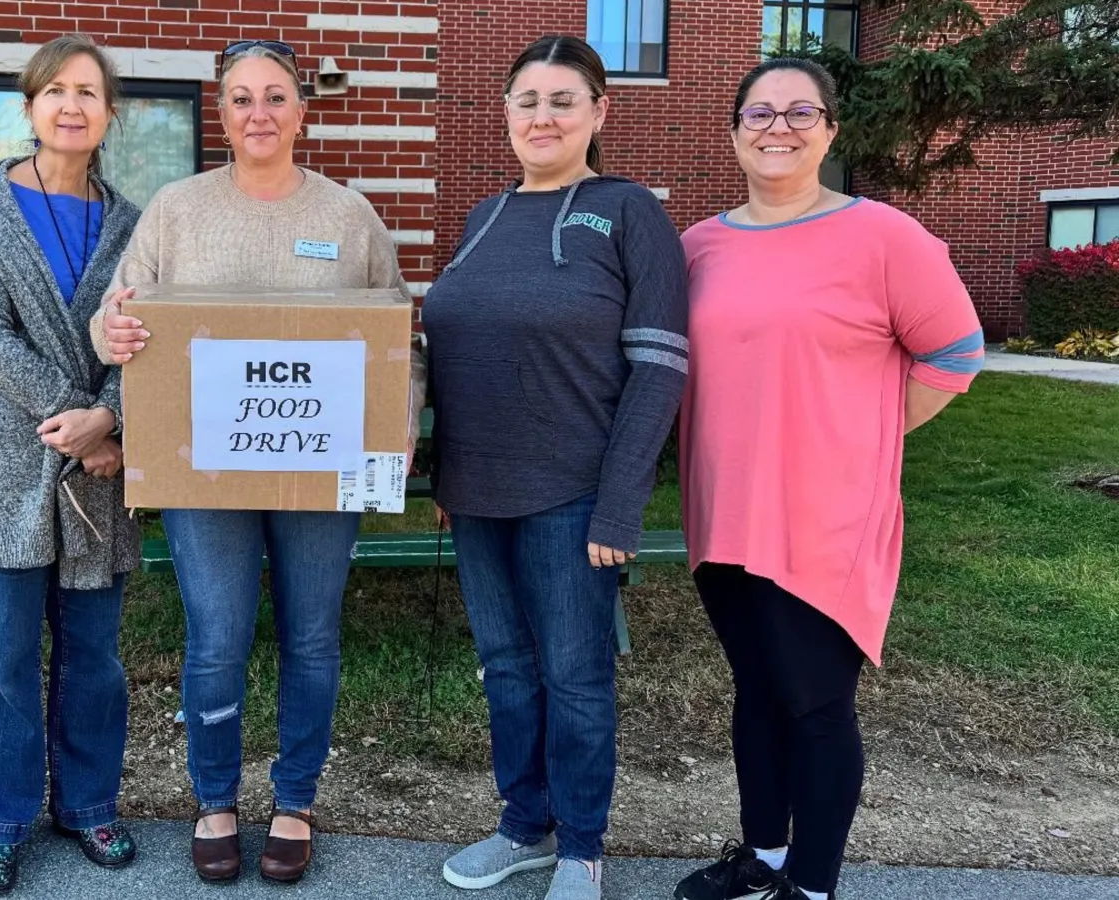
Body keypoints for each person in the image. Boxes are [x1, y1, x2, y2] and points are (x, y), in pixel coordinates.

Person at [94, 39, 425, 886]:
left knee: (312, 636)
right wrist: (112, 332)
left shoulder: (349, 216)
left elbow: (397, 337)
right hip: (204, 470)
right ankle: (214, 800)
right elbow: (114, 317)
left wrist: (399, 420)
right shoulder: (176, 209)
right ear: (221, 111)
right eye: (241, 98)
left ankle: (295, 801)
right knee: (216, 639)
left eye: (275, 96)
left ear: (302, 110)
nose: (259, 114)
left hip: (320, 465)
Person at [673, 58, 985, 900]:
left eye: (800, 112)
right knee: (756, 691)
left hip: (823, 516)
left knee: (814, 703)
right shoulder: (696, 247)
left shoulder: (883, 237)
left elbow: (956, 353)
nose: (778, 127)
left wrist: (861, 438)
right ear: (735, 131)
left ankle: (811, 888)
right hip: (723, 509)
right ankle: (765, 860)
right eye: (760, 113)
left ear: (831, 130)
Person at [422, 35, 688, 900]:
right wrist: (444, 476)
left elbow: (660, 366)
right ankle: (524, 826)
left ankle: (581, 846)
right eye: (527, 101)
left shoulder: (628, 211)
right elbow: (455, 358)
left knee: (575, 678)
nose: (543, 117)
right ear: (506, 113)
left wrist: (621, 504)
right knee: (505, 669)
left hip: (573, 495)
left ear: (598, 111)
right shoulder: (484, 217)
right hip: (477, 493)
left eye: (562, 100)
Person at [0, 35, 141, 894]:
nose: (71, 106)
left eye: (88, 92)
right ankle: (0, 821)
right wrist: (82, 421)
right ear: (28, 107)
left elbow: (151, 340)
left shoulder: (133, 223)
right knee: (4, 657)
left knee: (93, 655)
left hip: (99, 473)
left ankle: (88, 805)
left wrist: (112, 420)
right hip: (0, 459)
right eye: (55, 90)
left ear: (110, 114)